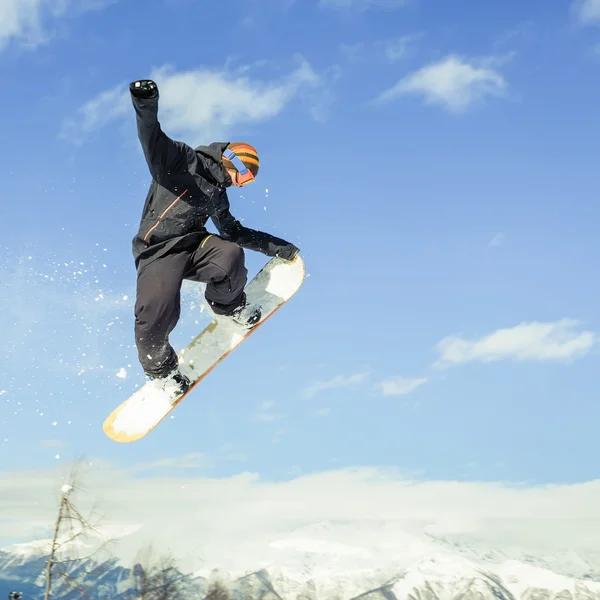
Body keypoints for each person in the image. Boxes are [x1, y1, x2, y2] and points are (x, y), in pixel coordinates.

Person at [128, 79, 300, 397]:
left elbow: (233, 231)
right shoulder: (181, 162)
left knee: (229, 253)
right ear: (232, 162)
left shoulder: (218, 195)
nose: (245, 185)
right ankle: (161, 372)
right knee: (155, 316)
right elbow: (151, 139)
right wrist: (145, 101)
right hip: (159, 251)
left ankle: (227, 306)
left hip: (195, 246)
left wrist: (279, 247)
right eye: (246, 176)